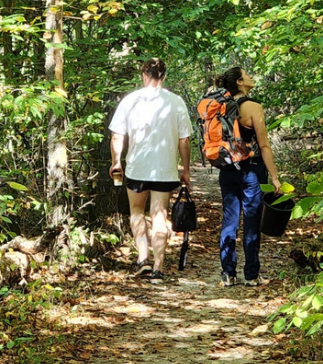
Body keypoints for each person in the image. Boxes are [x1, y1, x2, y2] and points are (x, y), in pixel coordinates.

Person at [107, 57, 193, 280]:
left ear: (144, 76)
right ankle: (158, 267)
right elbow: (184, 139)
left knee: (137, 211)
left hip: (137, 168)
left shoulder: (130, 100)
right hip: (164, 169)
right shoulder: (176, 102)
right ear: (163, 77)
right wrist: (185, 169)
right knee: (159, 216)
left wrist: (116, 161)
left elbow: (117, 135)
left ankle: (142, 259)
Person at [198, 63, 281, 288]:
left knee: (229, 220)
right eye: (247, 75)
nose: (251, 77)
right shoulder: (253, 107)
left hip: (227, 169)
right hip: (252, 170)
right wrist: (274, 177)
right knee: (252, 220)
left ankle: (228, 273)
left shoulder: (220, 107)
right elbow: (264, 146)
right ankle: (251, 274)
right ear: (240, 82)